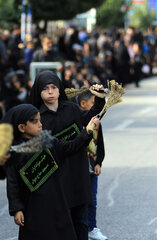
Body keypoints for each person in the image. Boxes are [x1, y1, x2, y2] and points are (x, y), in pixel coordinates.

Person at [4, 104, 100, 240]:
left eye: (40, 120)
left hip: (57, 202)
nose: (40, 124)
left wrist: (88, 131)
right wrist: (17, 209)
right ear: (21, 127)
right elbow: (12, 183)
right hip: (32, 208)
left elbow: (71, 147)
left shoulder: (47, 141)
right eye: (35, 121)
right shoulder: (14, 152)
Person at [29, 71, 105, 240]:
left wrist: (99, 98)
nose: (50, 92)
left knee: (81, 222)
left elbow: (91, 117)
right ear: (38, 92)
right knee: (63, 225)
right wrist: (85, 135)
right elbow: (60, 148)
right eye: (45, 88)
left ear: (59, 89)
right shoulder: (37, 118)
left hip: (78, 173)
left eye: (54, 87)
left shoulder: (70, 108)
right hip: (57, 178)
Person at [77, 91, 108, 240]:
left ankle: (92, 227)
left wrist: (98, 162)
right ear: (83, 104)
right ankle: (79, 228)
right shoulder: (76, 121)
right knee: (80, 200)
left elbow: (99, 143)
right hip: (79, 168)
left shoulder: (96, 122)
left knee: (92, 200)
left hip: (91, 167)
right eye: (93, 103)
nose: (96, 108)